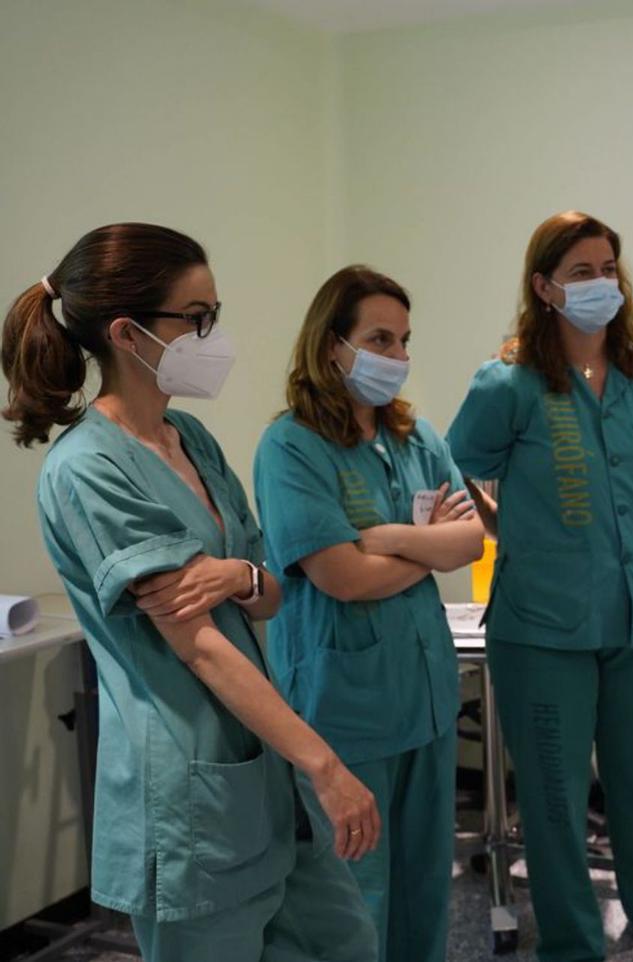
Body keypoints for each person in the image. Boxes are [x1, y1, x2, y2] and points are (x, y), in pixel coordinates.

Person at [0, 224, 379, 962]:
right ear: (127, 332)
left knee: (346, 944)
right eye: (196, 318)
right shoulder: (87, 469)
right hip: (189, 796)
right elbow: (199, 645)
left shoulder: (192, 439)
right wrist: (325, 766)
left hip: (263, 771)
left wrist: (239, 575)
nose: (214, 335)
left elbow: (268, 591)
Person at [447, 211, 633, 962]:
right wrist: (501, 525)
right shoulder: (509, 383)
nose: (601, 284)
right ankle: (570, 938)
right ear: (544, 287)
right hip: (543, 626)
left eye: (609, 269)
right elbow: (460, 458)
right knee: (557, 799)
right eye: (582, 272)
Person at [253, 265, 482, 962]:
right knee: (357, 898)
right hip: (345, 708)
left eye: (404, 341)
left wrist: (392, 540)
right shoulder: (292, 447)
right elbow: (341, 577)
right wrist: (429, 550)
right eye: (379, 339)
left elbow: (471, 538)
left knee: (424, 886)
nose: (397, 358)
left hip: (428, 699)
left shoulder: (416, 437)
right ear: (331, 345)